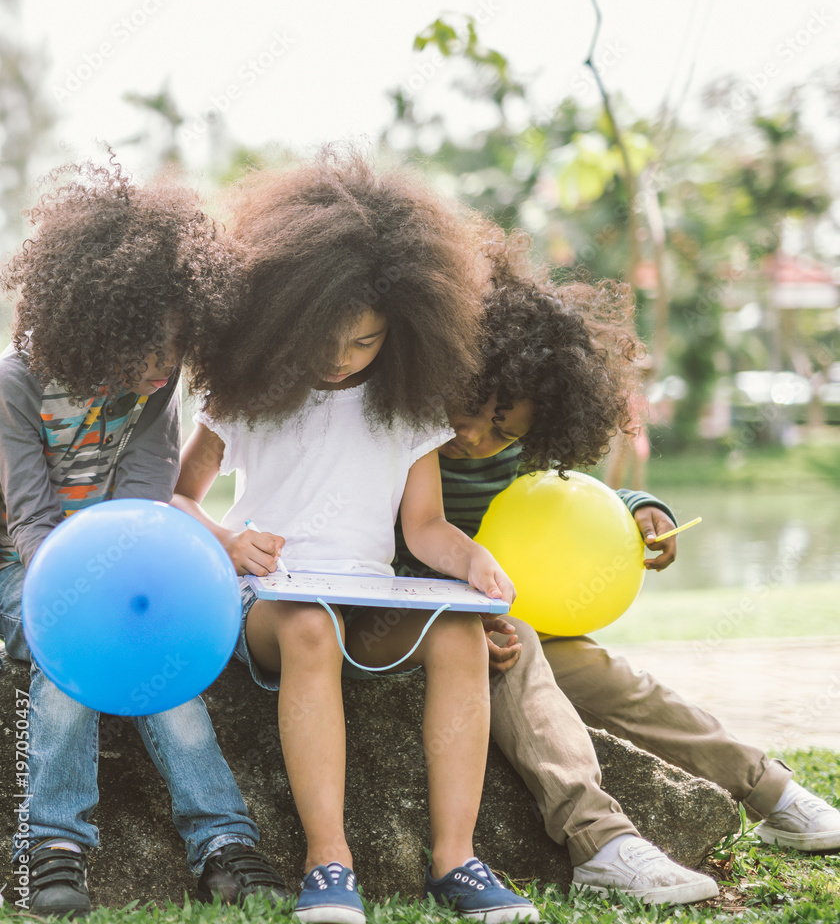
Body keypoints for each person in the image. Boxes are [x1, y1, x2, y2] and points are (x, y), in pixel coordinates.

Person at [394, 260, 840, 905]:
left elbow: (572, 501)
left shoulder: (523, 455)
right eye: (469, 408)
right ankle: (601, 842)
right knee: (514, 640)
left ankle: (773, 792)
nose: (473, 435)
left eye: (504, 429)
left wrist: (638, 507)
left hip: (513, 621)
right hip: (427, 626)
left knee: (619, 684)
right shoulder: (405, 441)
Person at [173, 151, 540, 924]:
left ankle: (456, 860)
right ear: (290, 314)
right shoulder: (247, 398)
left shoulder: (407, 407)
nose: (344, 360)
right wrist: (227, 543)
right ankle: (328, 861)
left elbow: (426, 529)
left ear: (401, 330)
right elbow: (176, 500)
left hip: (368, 594)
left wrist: (472, 561)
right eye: (329, 340)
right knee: (310, 628)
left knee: (460, 636)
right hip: (272, 600)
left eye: (366, 343)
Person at [0, 162, 288, 917]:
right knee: (71, 656)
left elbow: (144, 502)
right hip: (26, 566)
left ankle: (225, 842)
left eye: (176, 353)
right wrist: (76, 594)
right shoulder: (16, 384)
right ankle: (51, 846)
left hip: (117, 559)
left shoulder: (156, 389)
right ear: (100, 327)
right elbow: (29, 520)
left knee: (164, 661)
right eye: (149, 351)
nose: (164, 369)